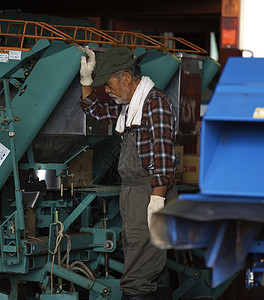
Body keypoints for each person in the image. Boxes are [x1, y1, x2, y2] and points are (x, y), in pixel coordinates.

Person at [79, 46, 177, 300]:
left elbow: (163, 154)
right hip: (133, 189)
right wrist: (86, 80)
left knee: (141, 263)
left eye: (109, 84)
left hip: (150, 189)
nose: (107, 91)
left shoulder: (154, 103)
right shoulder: (129, 106)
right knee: (140, 250)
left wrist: (157, 199)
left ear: (126, 77)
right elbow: (96, 111)